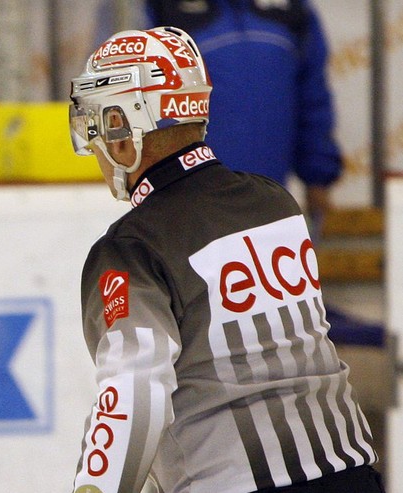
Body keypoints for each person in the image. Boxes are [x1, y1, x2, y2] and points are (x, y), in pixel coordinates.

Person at [67, 26, 382, 493]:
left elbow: (133, 398)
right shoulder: (276, 202)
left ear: (121, 130)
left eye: (97, 126)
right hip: (352, 474)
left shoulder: (131, 248)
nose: (95, 145)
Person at [93, 0, 341, 231]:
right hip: (182, 208)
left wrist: (318, 177)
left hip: (269, 203)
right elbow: (115, 94)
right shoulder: (151, 6)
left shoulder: (292, 9)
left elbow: (312, 95)